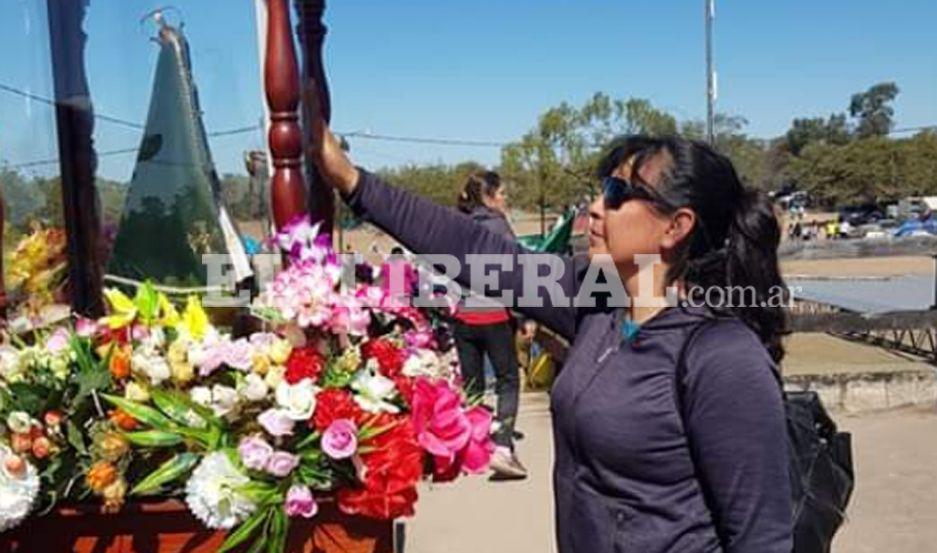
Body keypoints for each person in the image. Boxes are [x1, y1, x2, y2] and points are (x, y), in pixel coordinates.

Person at [309, 116, 792, 552]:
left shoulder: (722, 356)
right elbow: (476, 251)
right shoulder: (597, 299)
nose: (597, 208)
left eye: (619, 195)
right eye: (602, 189)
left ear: (676, 227)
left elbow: (762, 538)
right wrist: (352, 181)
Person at [450, 171, 527, 480]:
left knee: (473, 386)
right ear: (489, 196)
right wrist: (525, 316)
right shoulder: (499, 227)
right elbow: (517, 274)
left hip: (462, 317)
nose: (506, 199)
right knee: (508, 380)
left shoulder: (457, 226)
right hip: (494, 315)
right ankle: (503, 447)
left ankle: (473, 448)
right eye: (503, 193)